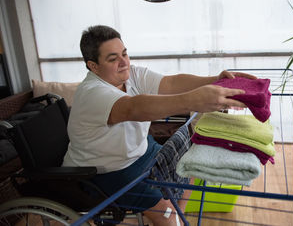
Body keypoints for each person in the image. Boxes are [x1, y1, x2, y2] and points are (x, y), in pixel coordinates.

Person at [62, 25, 256, 226]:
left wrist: (216, 81)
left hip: (140, 151)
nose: (124, 62)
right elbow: (134, 108)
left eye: (125, 54)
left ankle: (173, 214)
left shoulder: (132, 75)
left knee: (190, 166)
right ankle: (168, 216)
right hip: (108, 171)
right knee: (166, 216)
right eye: (113, 59)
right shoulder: (92, 92)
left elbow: (170, 83)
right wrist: (193, 100)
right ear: (93, 66)